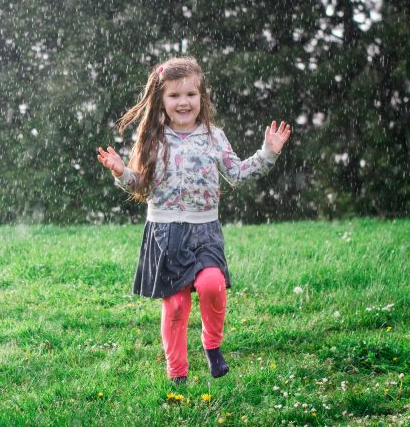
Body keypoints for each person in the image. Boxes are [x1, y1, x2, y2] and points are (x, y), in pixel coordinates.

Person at [97, 57, 291, 384]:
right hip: (166, 231)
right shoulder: (152, 140)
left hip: (205, 230)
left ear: (202, 97)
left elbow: (238, 174)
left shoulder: (214, 137)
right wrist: (120, 172)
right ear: (161, 100)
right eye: (174, 96)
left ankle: (212, 345)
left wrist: (267, 153)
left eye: (191, 94)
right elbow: (140, 185)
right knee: (175, 306)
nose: (183, 102)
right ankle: (178, 374)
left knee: (212, 284)